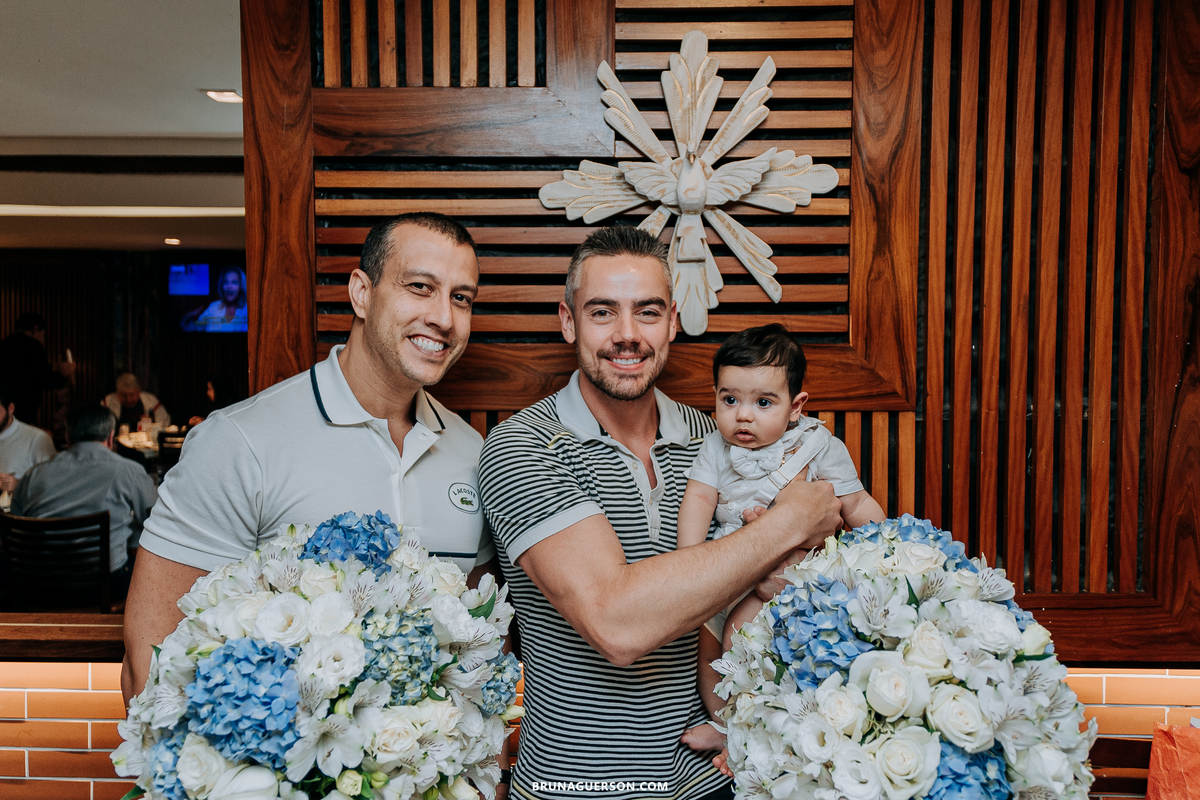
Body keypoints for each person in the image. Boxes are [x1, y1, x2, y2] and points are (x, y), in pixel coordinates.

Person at [477, 226, 843, 800]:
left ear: (672, 321)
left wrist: (784, 566)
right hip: (573, 787)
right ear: (569, 321)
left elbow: (803, 584)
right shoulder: (522, 446)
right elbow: (616, 623)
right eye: (603, 312)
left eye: (647, 312)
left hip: (718, 779)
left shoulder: (724, 440)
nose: (628, 336)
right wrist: (786, 526)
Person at [122, 212, 493, 707]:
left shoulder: (475, 454)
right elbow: (150, 663)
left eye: (461, 298)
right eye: (420, 287)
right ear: (361, 292)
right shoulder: (239, 442)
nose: (444, 318)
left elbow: (477, 644)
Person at [675, 324, 885, 759]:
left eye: (763, 402)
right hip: (724, 569)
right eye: (729, 400)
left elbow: (854, 500)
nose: (743, 415)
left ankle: (760, 731)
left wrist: (885, 547)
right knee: (708, 650)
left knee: (741, 643)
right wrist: (689, 560)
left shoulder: (817, 445)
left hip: (788, 577)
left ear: (796, 406)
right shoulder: (715, 447)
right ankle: (723, 724)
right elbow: (698, 497)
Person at [12, 406, 157, 601]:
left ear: (67, 437)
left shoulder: (34, 475)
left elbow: (16, 523)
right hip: (106, 586)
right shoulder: (129, 471)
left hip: (38, 585)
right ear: (111, 436)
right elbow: (154, 519)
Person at [0, 311, 75, 424]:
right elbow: (45, 380)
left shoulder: (3, 345)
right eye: (43, 335)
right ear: (36, 329)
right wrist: (62, 373)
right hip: (25, 410)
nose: (43, 341)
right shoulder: (33, 346)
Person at [0, 384, 57, 495]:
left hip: (18, 510)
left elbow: (52, 484)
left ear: (10, 408)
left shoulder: (37, 438)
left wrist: (18, 485)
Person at [103, 374, 170, 429]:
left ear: (138, 391)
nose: (128, 399)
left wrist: (152, 424)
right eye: (123, 395)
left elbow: (165, 423)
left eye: (132, 395)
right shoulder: (107, 403)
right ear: (117, 393)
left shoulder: (151, 402)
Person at [191, 267, 248, 331]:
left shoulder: (247, 311)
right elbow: (196, 328)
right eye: (225, 282)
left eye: (234, 282)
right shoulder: (213, 307)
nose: (229, 286)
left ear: (241, 286)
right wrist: (188, 317)